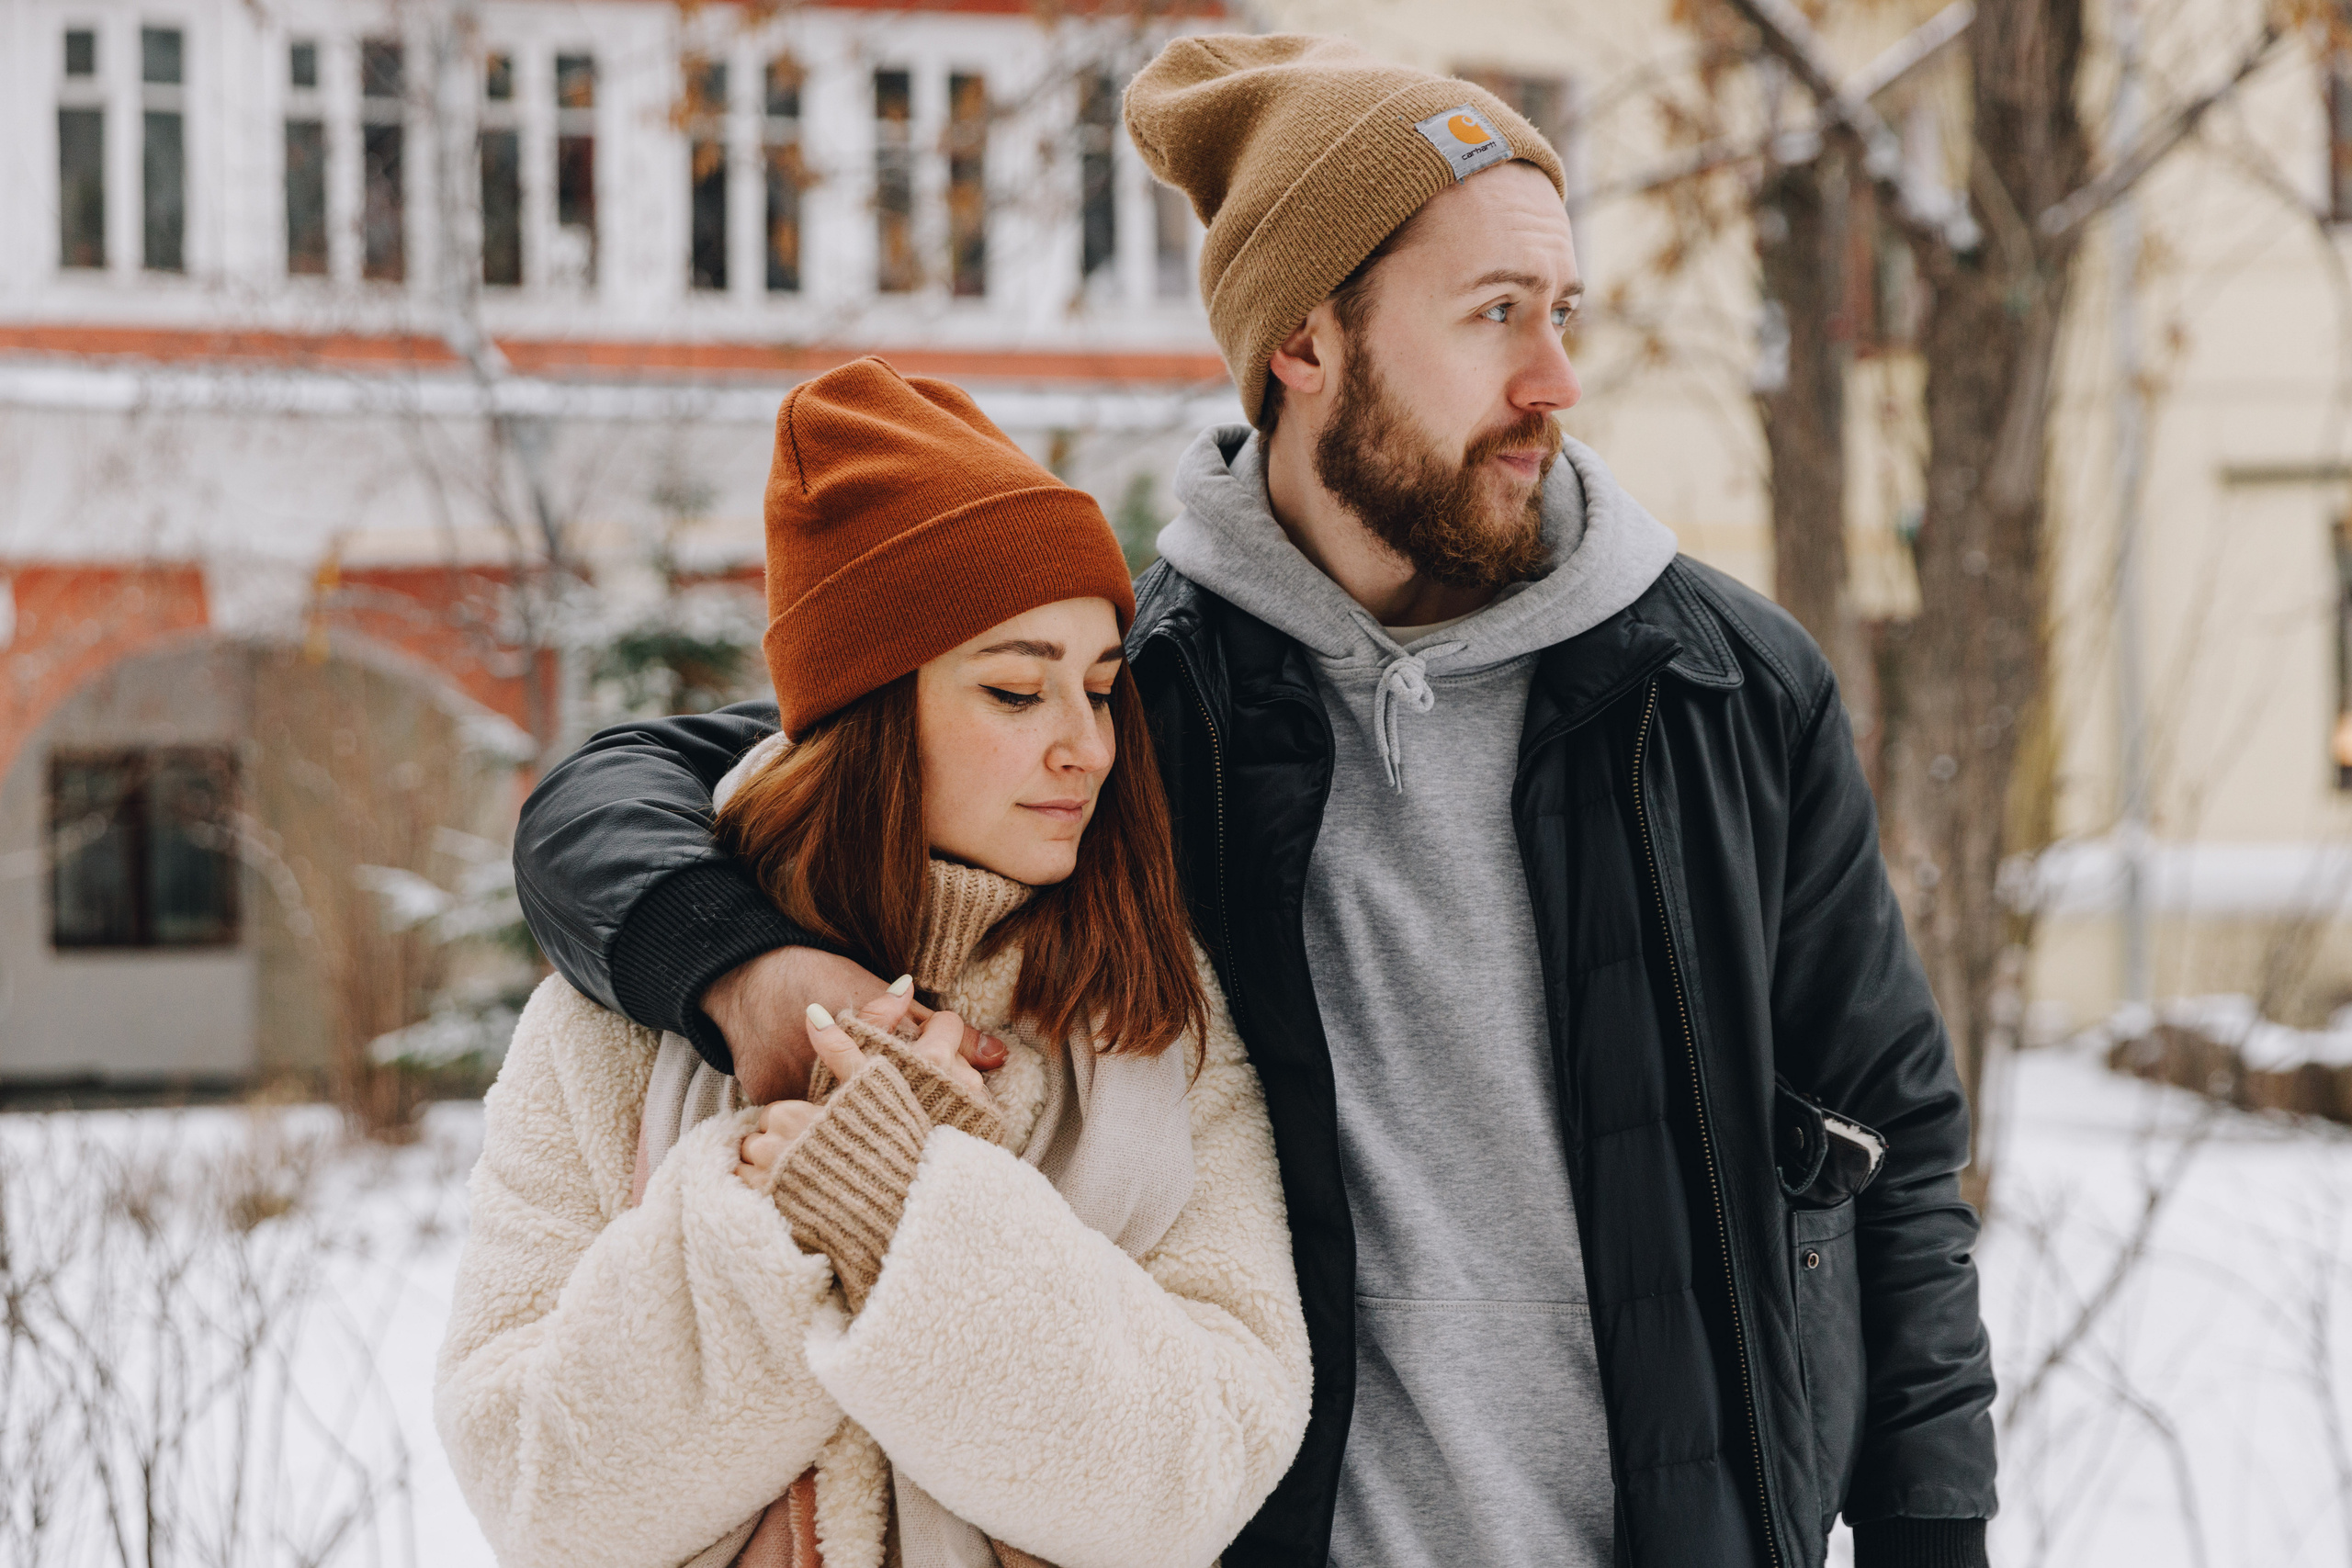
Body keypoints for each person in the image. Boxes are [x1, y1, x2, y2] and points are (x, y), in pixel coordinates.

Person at [506, 35, 1997, 1568]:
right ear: (1305, 342)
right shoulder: (1139, 696)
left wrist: (1931, 1532)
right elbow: (655, 786)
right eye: (1494, 315)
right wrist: (748, 967)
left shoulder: (1725, 690)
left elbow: (1889, 1136)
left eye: (1561, 314)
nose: (1554, 378)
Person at [437, 358, 1311, 1568]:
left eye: (1101, 691)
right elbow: (539, 1493)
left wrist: (914, 1216)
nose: (1086, 748)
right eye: (1017, 690)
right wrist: (768, 1211)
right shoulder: (616, 1024)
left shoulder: (1150, 1015)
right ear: (872, 713)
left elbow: (1203, 1471)